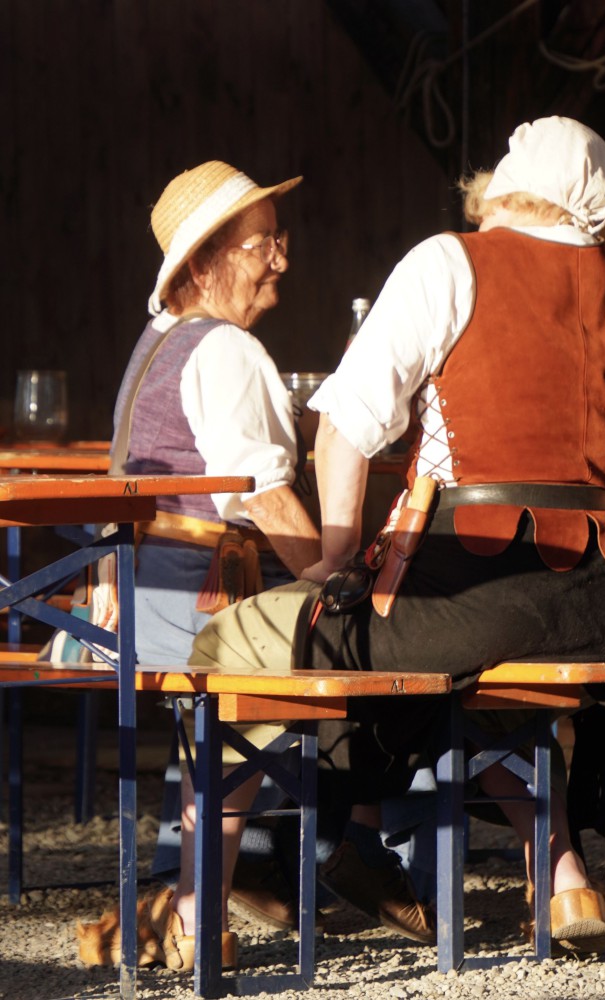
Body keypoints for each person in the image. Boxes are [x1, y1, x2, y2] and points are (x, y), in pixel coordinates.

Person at [190, 117, 605, 952]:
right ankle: (558, 876)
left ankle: (208, 898)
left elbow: (345, 427)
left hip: (473, 585)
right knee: (467, 671)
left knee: (243, 640)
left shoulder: (449, 261)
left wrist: (335, 560)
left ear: (501, 191)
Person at [110, 160, 321, 970]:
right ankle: (356, 862)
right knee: (365, 646)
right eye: (262, 245)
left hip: (142, 602)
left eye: (279, 239)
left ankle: (210, 889)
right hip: (192, 604)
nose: (281, 260)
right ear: (203, 264)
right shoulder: (225, 349)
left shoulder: (157, 343)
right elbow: (262, 496)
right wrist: (336, 582)